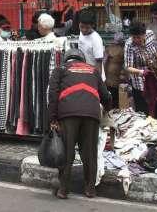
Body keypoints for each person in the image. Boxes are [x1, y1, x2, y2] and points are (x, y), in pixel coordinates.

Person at [48, 48, 111, 199]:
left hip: (68, 114)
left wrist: (52, 118)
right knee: (89, 153)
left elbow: (53, 94)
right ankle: (90, 189)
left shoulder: (60, 69)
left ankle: (63, 189)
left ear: (66, 58)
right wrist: (106, 110)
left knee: (67, 152)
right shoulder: (93, 70)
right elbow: (105, 95)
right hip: (91, 114)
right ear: (82, 59)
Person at [124, 21, 157, 118]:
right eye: (134, 37)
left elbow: (156, 51)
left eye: (139, 37)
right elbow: (128, 67)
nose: (136, 40)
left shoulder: (150, 34)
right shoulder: (129, 44)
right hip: (139, 81)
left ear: (144, 34)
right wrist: (142, 72)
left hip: (156, 76)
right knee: (143, 111)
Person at [77, 11, 105, 79]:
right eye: (81, 27)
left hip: (94, 76)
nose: (84, 30)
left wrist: (98, 82)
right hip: (84, 73)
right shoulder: (81, 33)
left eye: (87, 28)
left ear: (92, 26)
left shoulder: (96, 40)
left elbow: (99, 63)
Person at [104, 32, 127, 109]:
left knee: (111, 96)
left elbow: (104, 61)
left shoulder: (109, 48)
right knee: (115, 98)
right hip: (116, 77)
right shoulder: (123, 50)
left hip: (111, 76)